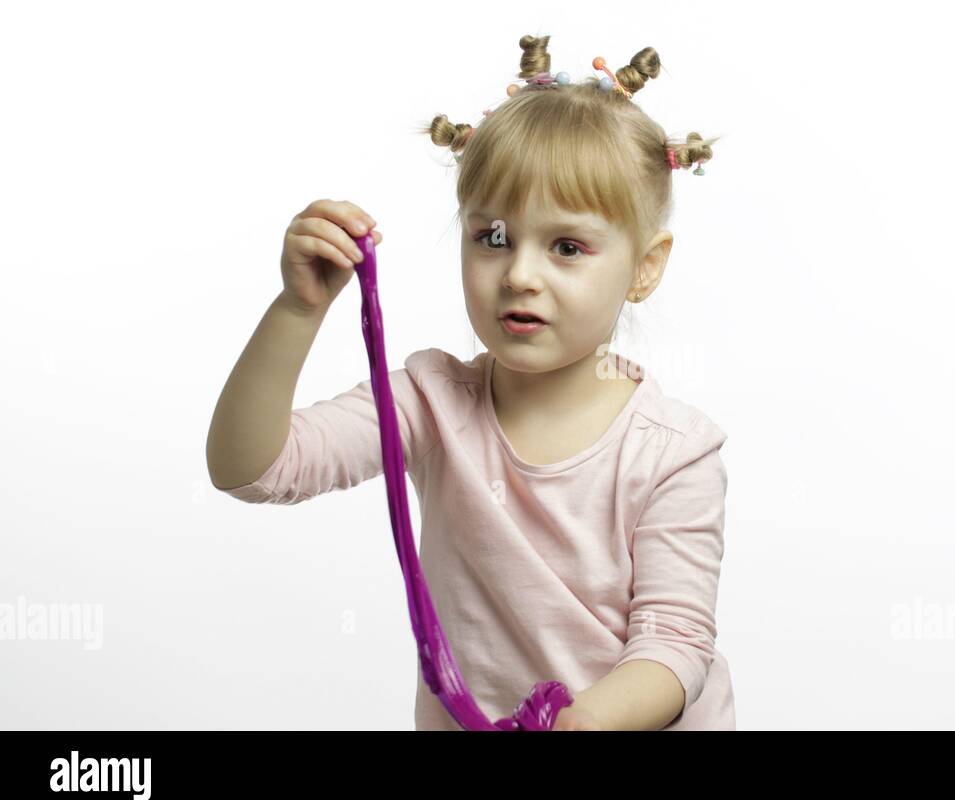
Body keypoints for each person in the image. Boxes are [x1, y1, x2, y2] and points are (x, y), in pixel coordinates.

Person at [206, 34, 732, 731]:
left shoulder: (674, 452)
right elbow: (253, 469)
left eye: (567, 247)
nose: (519, 274)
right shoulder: (430, 402)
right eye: (493, 237)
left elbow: (675, 644)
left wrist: (587, 719)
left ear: (645, 266)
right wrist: (298, 310)